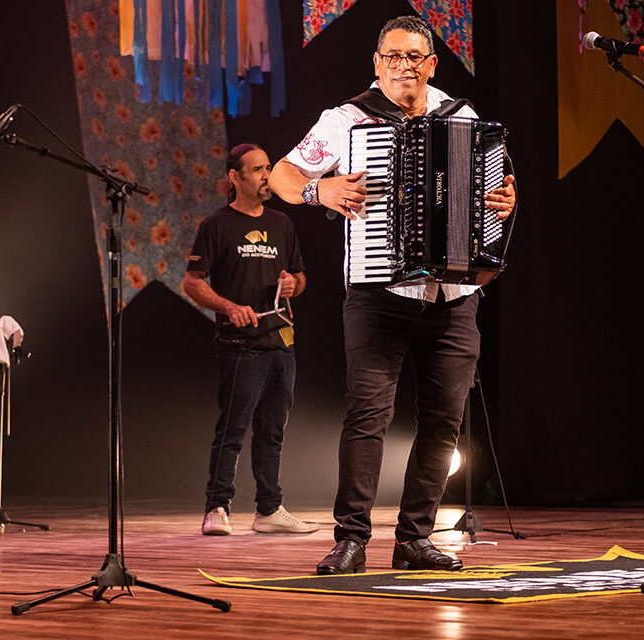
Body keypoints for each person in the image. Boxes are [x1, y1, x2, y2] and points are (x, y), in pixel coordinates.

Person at [269, 15, 516, 574]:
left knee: (443, 421)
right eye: (391, 56)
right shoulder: (346, 120)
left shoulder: (463, 116)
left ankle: (415, 538)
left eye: (413, 57)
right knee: (368, 416)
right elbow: (282, 176)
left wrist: (503, 205)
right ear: (376, 63)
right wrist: (319, 189)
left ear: (430, 64)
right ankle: (352, 538)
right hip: (379, 292)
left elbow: (500, 187)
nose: (402, 66)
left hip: (454, 293)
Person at [183, 143, 319, 536]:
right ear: (235, 178)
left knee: (272, 430)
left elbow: (301, 276)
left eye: (267, 169)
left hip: (281, 340)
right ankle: (217, 507)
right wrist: (228, 307)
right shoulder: (216, 225)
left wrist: (295, 284)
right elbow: (192, 283)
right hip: (240, 345)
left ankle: (269, 509)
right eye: (257, 169)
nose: (265, 176)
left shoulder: (282, 223)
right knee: (233, 428)